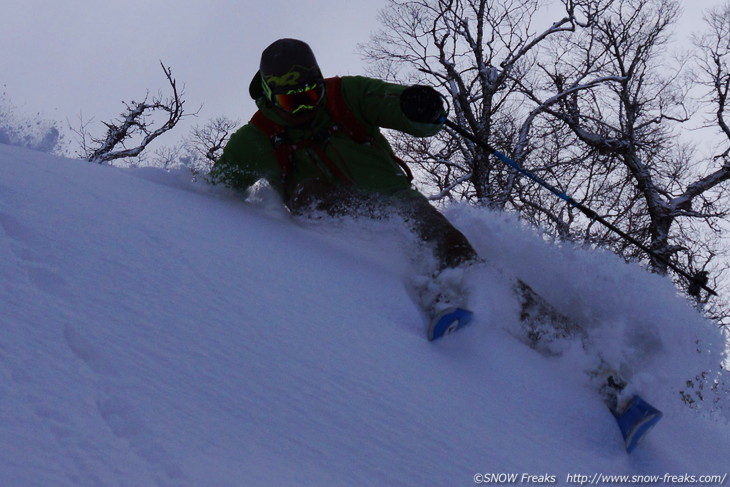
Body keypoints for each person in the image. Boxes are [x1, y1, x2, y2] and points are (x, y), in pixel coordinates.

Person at [210, 38, 479, 315]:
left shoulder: (346, 94)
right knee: (311, 193)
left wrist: (420, 108)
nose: (306, 109)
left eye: (311, 97)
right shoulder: (257, 138)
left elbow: (395, 106)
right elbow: (215, 195)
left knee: (455, 251)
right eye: (292, 101)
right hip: (327, 235)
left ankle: (514, 310)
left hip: (399, 202)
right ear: (270, 94)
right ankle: (412, 292)